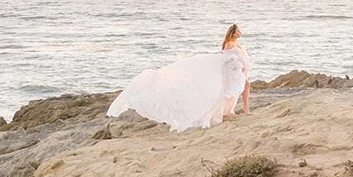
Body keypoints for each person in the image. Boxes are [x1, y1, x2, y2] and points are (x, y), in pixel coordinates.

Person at [107, 24, 252, 131]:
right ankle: (238, 110)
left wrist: (243, 65)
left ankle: (236, 110)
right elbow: (227, 58)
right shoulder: (229, 44)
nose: (240, 33)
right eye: (238, 31)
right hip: (232, 71)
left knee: (237, 90)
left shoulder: (237, 43)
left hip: (237, 71)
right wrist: (239, 64)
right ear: (233, 33)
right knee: (231, 91)